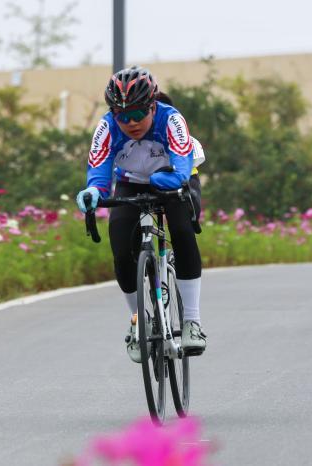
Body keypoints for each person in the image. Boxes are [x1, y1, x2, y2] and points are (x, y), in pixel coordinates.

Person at [75, 66, 206, 362]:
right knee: (121, 249)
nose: (131, 122)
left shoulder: (170, 118)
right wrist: (94, 193)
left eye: (137, 114)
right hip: (131, 180)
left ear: (152, 105)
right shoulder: (106, 128)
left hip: (174, 176)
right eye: (123, 116)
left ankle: (192, 323)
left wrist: (172, 180)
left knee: (183, 232)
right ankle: (138, 322)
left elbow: (183, 164)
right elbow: (98, 170)